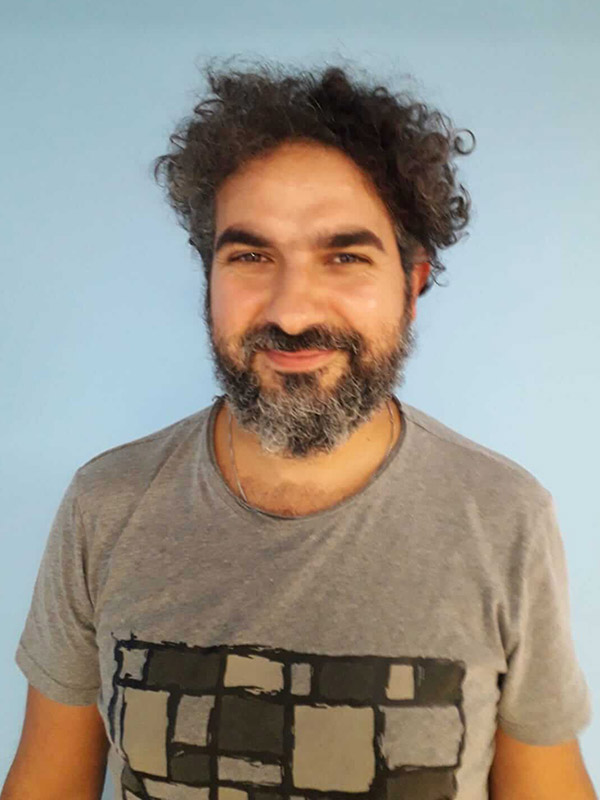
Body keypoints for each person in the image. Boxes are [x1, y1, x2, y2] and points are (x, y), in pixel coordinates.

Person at [2, 58, 596, 800]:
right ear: (208, 279)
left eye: (345, 256)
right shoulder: (105, 504)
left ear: (412, 287)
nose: (290, 312)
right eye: (251, 256)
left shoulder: (505, 517)